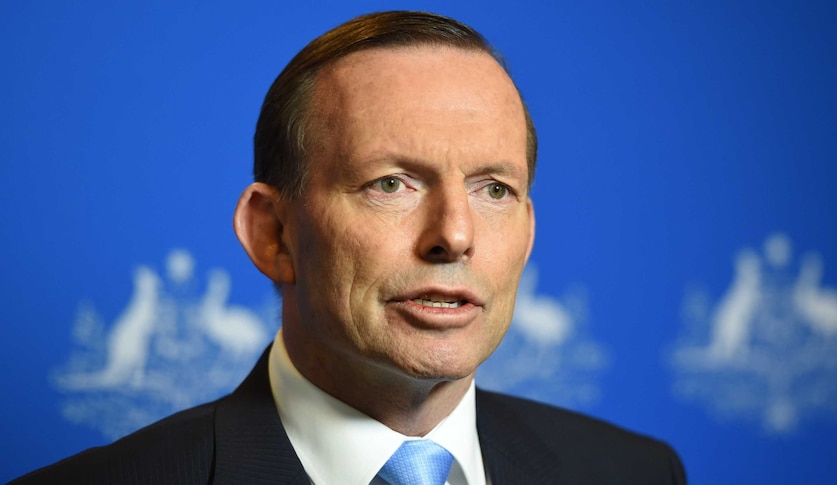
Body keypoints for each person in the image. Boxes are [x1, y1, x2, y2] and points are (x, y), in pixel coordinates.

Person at [12, 10, 686, 484]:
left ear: (530, 230)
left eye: (494, 189)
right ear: (273, 234)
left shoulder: (636, 471)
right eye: (390, 183)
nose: (455, 234)